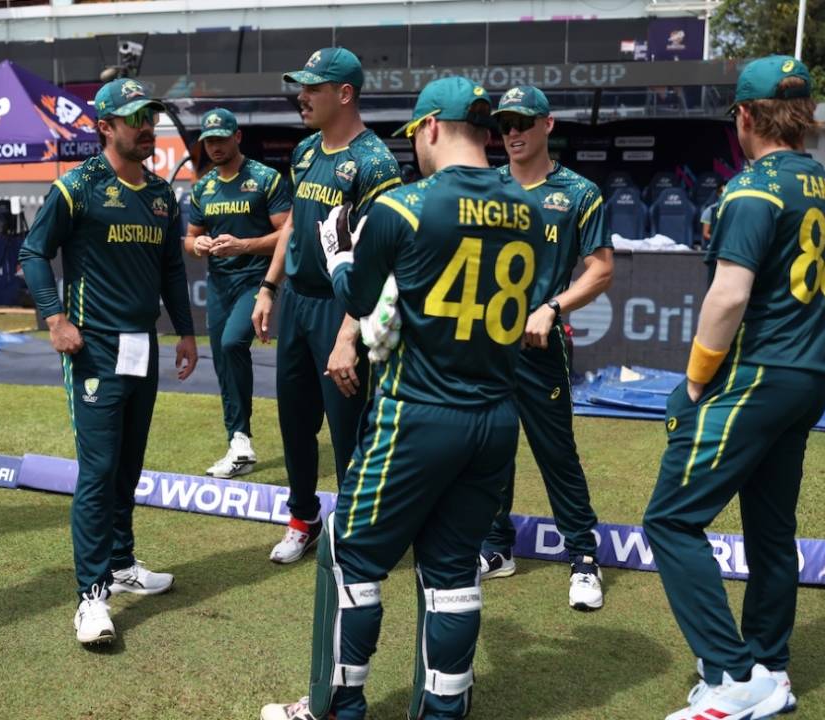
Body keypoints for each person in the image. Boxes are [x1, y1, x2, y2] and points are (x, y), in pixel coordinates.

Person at [261, 76, 538, 720]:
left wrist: (335, 256)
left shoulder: (406, 206)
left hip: (419, 409)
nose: (415, 147)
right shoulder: (528, 207)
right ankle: (442, 713)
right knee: (452, 572)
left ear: (432, 128)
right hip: (495, 415)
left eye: (417, 135)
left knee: (348, 553)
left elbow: (359, 300)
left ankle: (336, 706)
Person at [643, 55, 825, 720]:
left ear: (744, 117)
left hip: (756, 375)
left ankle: (732, 677)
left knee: (671, 519)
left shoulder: (754, 188)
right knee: (769, 529)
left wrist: (695, 381)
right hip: (810, 376)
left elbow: (728, 297)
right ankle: (768, 667)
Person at [18, 78, 198, 646]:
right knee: (97, 473)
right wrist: (54, 316)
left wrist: (187, 333)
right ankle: (91, 597)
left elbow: (173, 268)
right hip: (93, 345)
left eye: (151, 116)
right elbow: (33, 252)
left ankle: (121, 567)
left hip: (144, 345)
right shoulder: (77, 187)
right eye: (135, 118)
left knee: (127, 467)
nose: (147, 126)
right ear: (105, 128)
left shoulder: (164, 196)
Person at [251, 47, 401, 564]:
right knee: (295, 424)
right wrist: (269, 288)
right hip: (295, 302)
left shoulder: (376, 162)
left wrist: (347, 333)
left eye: (313, 87)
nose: (302, 95)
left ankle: (356, 530)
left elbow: (383, 261)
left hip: (343, 314)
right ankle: (303, 519)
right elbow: (293, 222)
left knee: (348, 431)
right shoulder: (306, 150)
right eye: (302, 86)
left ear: (345, 94)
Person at [477, 85, 614, 611]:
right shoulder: (485, 187)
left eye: (522, 122)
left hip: (541, 345)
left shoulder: (579, 192)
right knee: (490, 448)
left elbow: (601, 271)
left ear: (547, 126)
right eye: (505, 124)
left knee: (556, 454)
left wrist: (552, 306)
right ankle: (495, 548)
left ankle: (583, 557)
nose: (512, 132)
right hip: (487, 345)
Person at [185, 108, 291, 478]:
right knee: (222, 359)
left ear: (237, 137)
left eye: (221, 139)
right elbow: (190, 236)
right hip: (218, 285)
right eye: (209, 141)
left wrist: (243, 246)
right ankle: (239, 441)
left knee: (232, 345)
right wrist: (197, 246)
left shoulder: (265, 179)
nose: (215, 146)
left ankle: (241, 440)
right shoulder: (203, 186)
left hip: (256, 281)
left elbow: (287, 235)